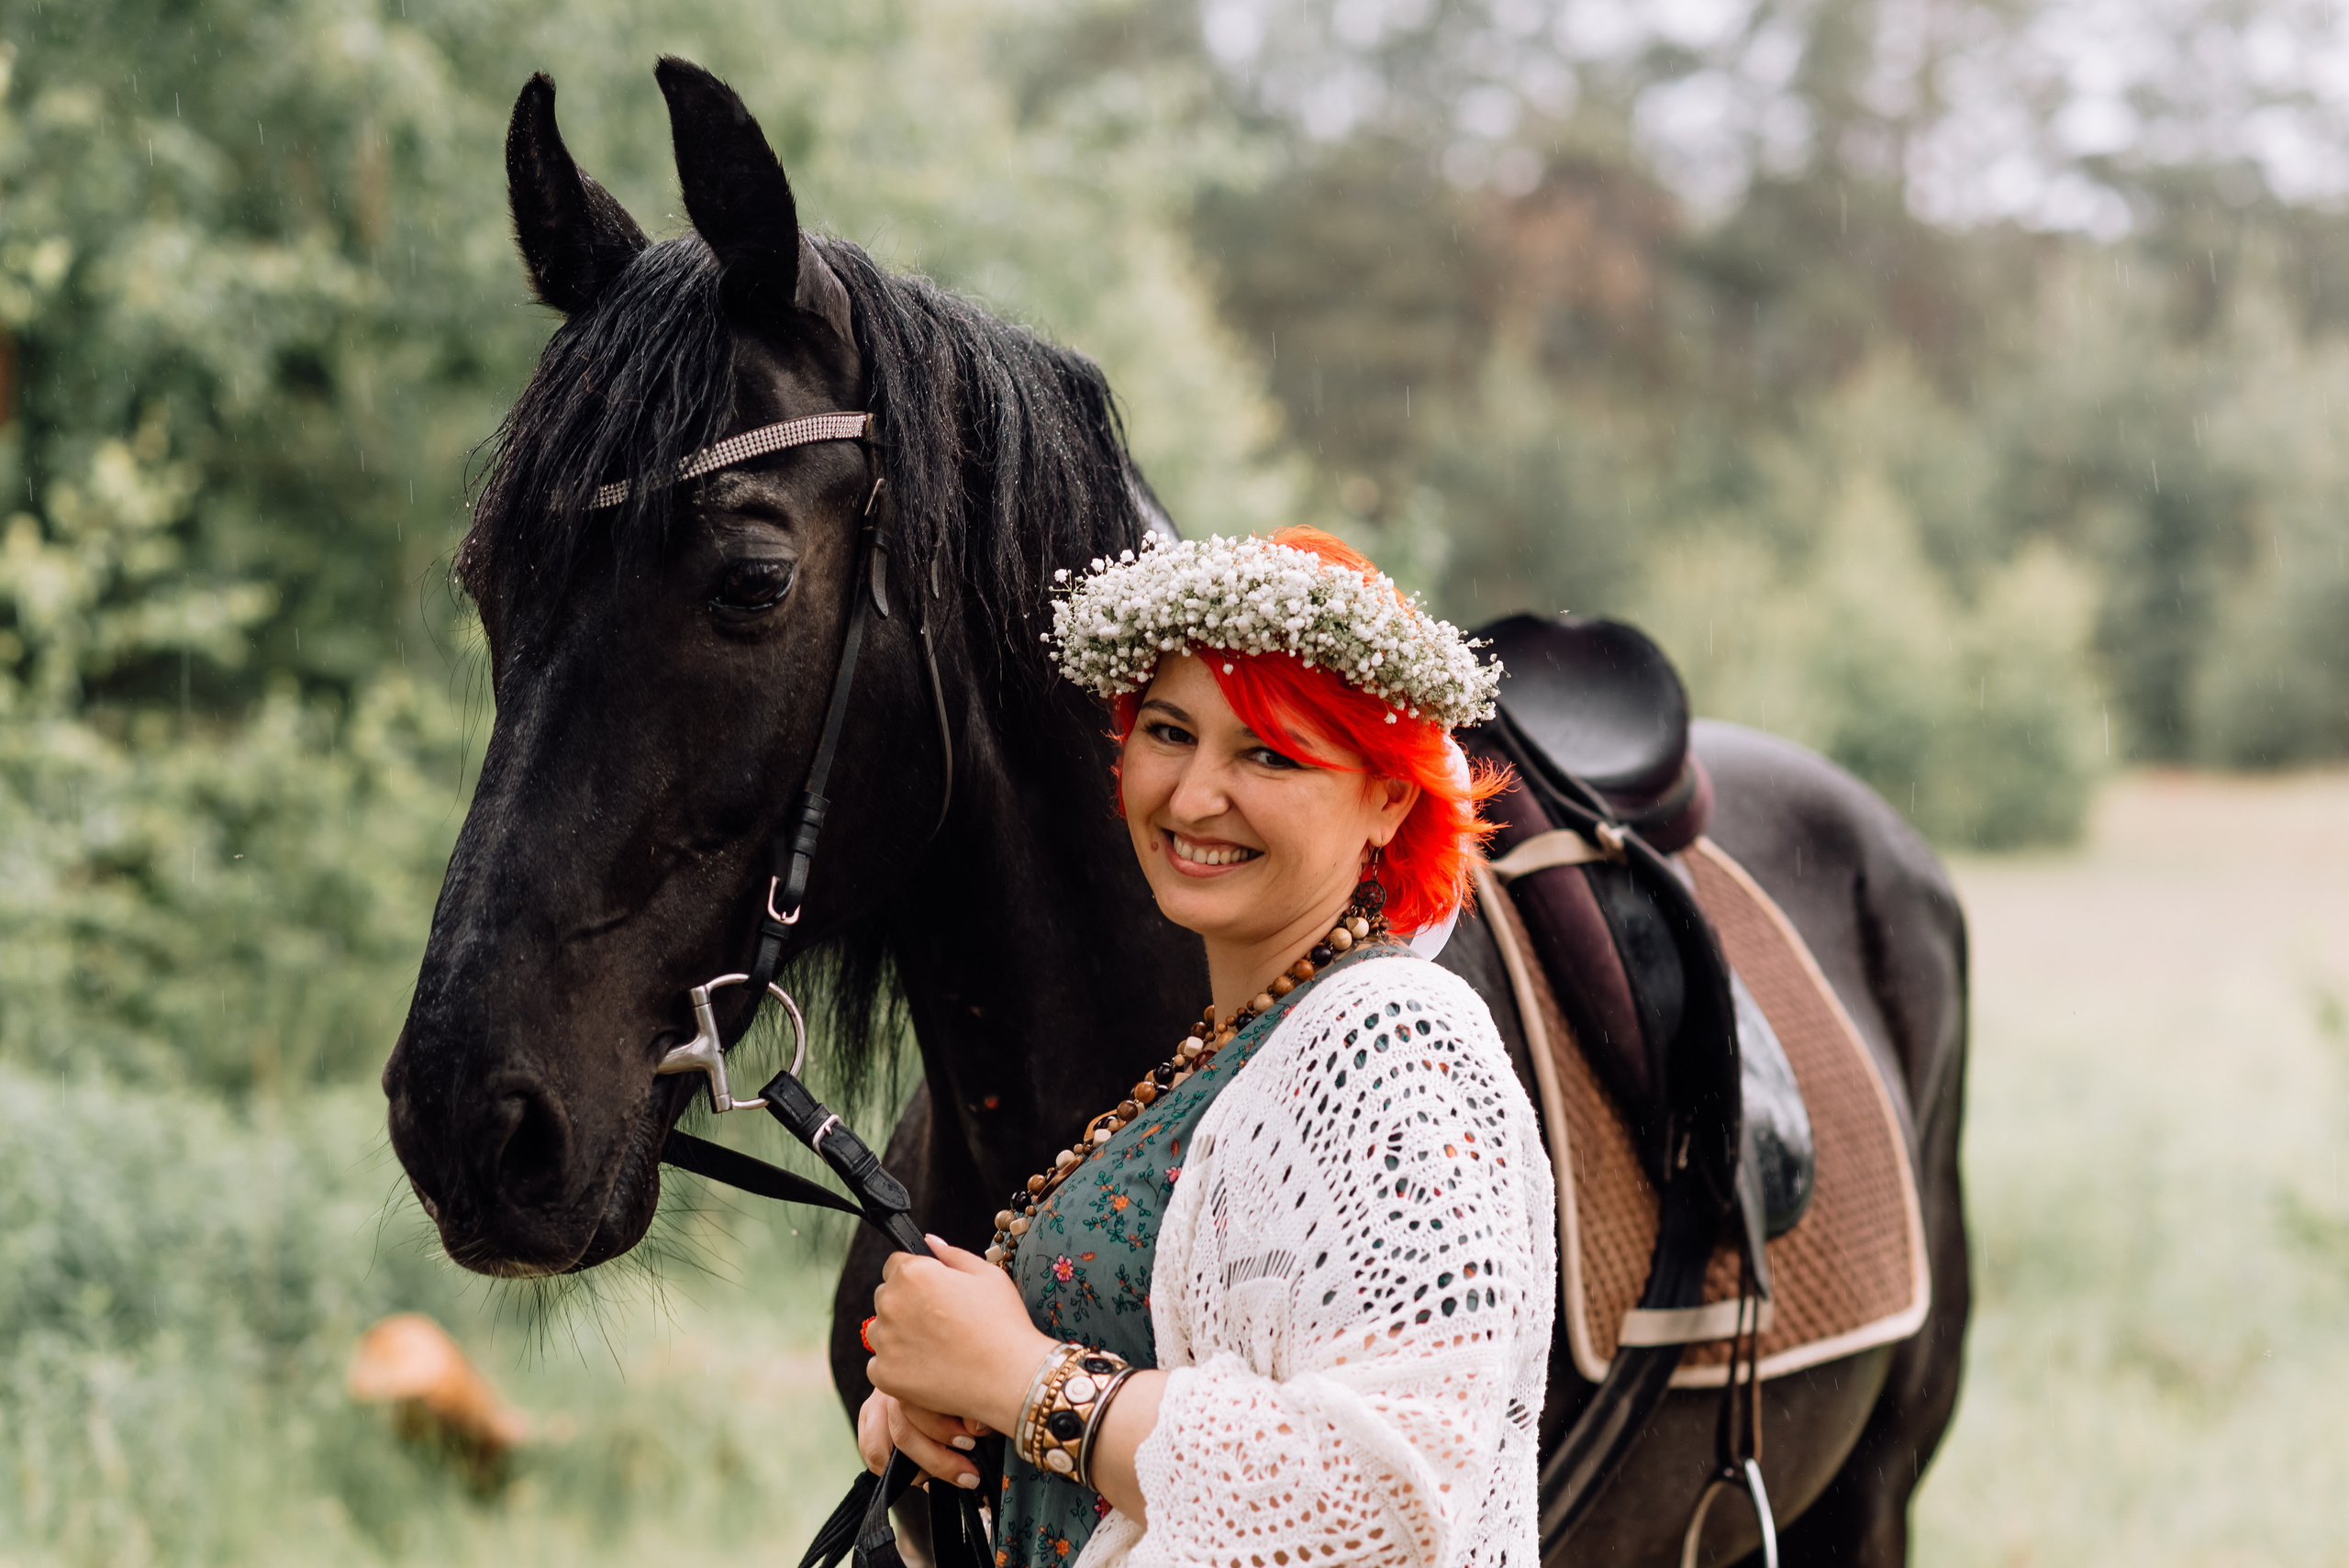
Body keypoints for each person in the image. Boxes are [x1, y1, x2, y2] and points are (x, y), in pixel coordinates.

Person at [857, 528, 1556, 1568]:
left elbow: (1384, 1498)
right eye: (1169, 731)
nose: (1189, 798)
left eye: (1268, 753)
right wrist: (947, 1403)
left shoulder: (1398, 1046)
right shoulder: (1236, 1041)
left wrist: (1025, 1382)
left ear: (1389, 795)